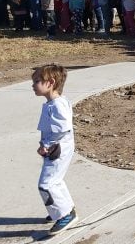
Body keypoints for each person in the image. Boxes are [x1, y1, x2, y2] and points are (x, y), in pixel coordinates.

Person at [32, 64, 78, 236]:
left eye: (37, 81)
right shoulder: (56, 102)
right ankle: (65, 209)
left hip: (57, 150)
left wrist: (46, 145)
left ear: (50, 83)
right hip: (57, 148)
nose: (33, 85)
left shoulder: (57, 105)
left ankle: (64, 215)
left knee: (45, 184)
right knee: (55, 181)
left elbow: (62, 129)